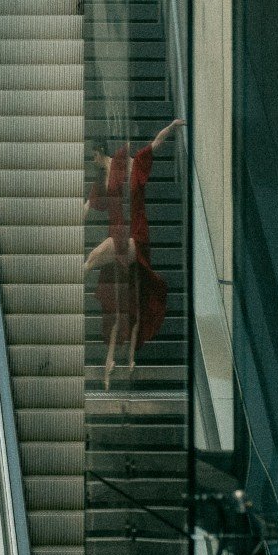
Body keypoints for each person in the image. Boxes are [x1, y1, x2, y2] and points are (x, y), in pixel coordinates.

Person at [83, 117, 183, 389]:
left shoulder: (135, 164)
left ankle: (125, 361)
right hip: (124, 238)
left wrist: (172, 127)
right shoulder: (116, 171)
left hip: (134, 238)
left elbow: (156, 143)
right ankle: (114, 363)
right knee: (120, 305)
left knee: (101, 270)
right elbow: (95, 199)